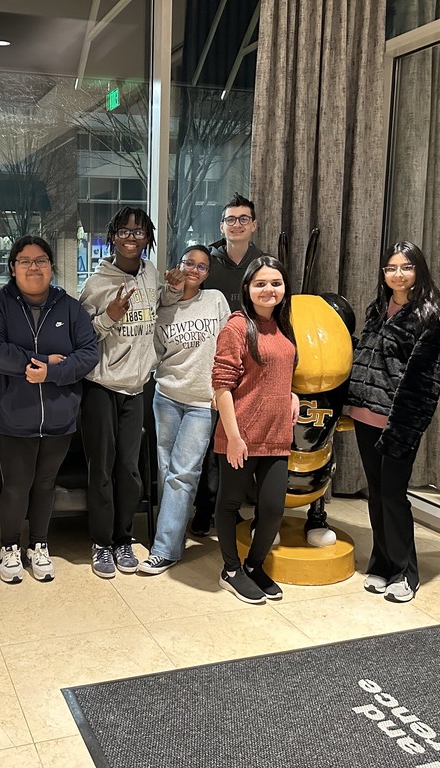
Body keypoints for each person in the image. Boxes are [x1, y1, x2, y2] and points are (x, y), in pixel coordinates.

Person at [0, 236, 99, 583]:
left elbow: (89, 352)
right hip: (15, 415)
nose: (34, 267)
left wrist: (55, 373)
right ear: (13, 267)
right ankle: (9, 547)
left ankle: (39, 545)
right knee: (16, 486)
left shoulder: (68, 306)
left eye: (41, 260)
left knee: (46, 484)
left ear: (51, 266)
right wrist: (43, 362)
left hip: (60, 416)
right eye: (25, 261)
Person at [347, 241, 440, 604]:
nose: (398, 274)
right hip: (365, 414)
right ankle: (381, 563)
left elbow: (425, 381)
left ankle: (404, 571)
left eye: (406, 267)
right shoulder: (379, 307)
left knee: (394, 495)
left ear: (419, 270)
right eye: (391, 268)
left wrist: (406, 425)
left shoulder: (431, 316)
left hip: (398, 421)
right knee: (376, 493)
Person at [78, 206, 182, 578]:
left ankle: (124, 538)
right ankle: (101, 543)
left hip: (137, 388)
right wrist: (109, 316)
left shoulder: (151, 273)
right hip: (101, 388)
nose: (131, 238)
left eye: (139, 232)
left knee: (130, 469)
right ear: (113, 236)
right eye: (124, 231)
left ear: (147, 237)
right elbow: (82, 339)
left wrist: (171, 289)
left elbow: (157, 308)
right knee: (102, 470)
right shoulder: (95, 284)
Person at [212, 255, 299, 604]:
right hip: (241, 436)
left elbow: (276, 370)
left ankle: (254, 565)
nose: (268, 289)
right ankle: (231, 571)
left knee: (274, 509)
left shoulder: (283, 325)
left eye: (275, 283)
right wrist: (233, 437)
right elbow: (221, 387)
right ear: (247, 288)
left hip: (277, 435)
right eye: (260, 283)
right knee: (230, 503)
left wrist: (290, 392)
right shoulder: (236, 327)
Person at [142, 245, 229, 575]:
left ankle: (164, 549)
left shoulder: (216, 300)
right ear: (177, 266)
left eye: (202, 267)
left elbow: (226, 347)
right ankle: (170, 537)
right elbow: (154, 349)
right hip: (166, 395)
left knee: (184, 472)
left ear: (208, 273)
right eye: (189, 264)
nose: (194, 270)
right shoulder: (163, 305)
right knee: (167, 470)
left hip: (201, 402)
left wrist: (219, 394)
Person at [190, 193, 267, 536]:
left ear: (253, 225)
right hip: (211, 363)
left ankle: (231, 507)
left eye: (243, 219)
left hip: (252, 363)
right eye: (230, 219)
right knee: (209, 443)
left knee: (241, 438)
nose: (236, 225)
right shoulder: (208, 261)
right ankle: (205, 510)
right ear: (222, 226)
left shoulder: (263, 263)